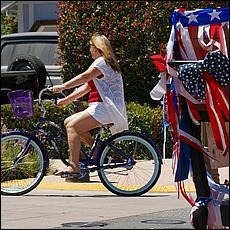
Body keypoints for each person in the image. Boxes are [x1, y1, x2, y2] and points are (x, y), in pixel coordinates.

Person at [49, 33, 128, 177]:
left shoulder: (101, 62)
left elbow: (84, 77)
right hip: (103, 107)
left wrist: (62, 87)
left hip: (106, 108)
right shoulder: (104, 64)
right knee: (68, 122)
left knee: (73, 127)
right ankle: (97, 148)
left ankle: (74, 167)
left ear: (97, 48)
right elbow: (86, 87)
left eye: (90, 46)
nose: (89, 49)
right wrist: (65, 100)